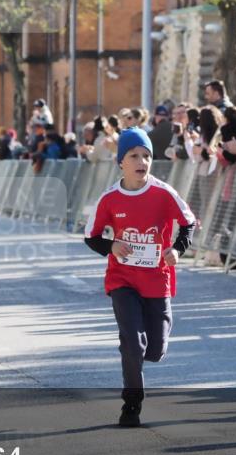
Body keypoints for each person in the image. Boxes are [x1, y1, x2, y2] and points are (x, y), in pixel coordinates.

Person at [83, 127, 196, 427]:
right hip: (123, 279)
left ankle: (134, 353)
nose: (141, 161)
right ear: (121, 161)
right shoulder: (110, 199)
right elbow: (90, 236)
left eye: (146, 155)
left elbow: (189, 223)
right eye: (134, 155)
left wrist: (178, 249)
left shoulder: (163, 192)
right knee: (133, 343)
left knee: (155, 350)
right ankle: (131, 404)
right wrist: (111, 246)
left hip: (157, 280)